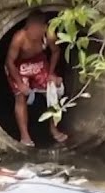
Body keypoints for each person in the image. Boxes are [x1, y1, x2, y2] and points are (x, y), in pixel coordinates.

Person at [4, 11, 67, 147]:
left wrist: (51, 73)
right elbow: (10, 62)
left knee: (51, 90)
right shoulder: (19, 38)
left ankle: (53, 128)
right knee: (20, 95)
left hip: (38, 61)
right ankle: (25, 136)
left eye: (37, 28)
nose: (33, 32)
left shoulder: (49, 35)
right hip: (18, 65)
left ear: (44, 28)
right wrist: (20, 83)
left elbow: (56, 51)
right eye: (31, 28)